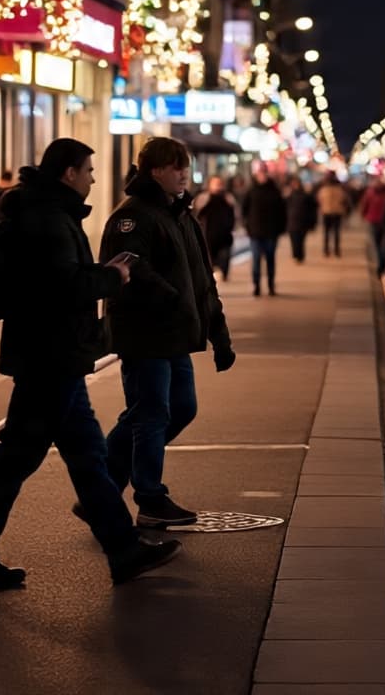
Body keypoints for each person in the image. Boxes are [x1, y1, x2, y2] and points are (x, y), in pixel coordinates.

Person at [0, 139, 179, 589]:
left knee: (85, 457)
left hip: (53, 356)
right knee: (18, 459)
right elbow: (62, 286)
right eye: (88, 169)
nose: (93, 177)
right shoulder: (50, 219)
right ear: (69, 173)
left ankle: (122, 549)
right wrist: (113, 275)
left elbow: (55, 279)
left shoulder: (45, 212)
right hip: (50, 356)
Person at [101, 138, 235, 530]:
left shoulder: (180, 214)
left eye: (185, 166)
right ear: (155, 170)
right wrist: (173, 299)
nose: (184, 174)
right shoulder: (133, 216)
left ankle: (101, 491)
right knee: (151, 413)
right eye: (177, 167)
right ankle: (150, 498)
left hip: (173, 333)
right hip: (145, 332)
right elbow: (129, 269)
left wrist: (219, 332)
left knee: (179, 408)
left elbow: (203, 279)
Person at [242, 163, 286, 296]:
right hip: (255, 232)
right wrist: (248, 226)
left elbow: (282, 210)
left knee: (270, 259)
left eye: (264, 172)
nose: (262, 175)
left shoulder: (274, 190)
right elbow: (244, 210)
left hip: (271, 231)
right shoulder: (251, 190)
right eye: (260, 173)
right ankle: (256, 286)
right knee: (256, 260)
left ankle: (271, 286)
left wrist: (281, 228)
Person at [196, 175, 237, 282]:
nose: (218, 186)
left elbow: (235, 214)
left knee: (224, 260)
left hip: (225, 237)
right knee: (210, 263)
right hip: (208, 237)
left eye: (220, 183)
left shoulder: (228, 198)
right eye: (216, 184)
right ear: (210, 185)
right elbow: (197, 214)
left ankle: (223, 275)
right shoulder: (204, 198)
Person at [358, 177, 385, 276]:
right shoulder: (370, 192)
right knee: (377, 244)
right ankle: (382, 262)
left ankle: (382, 263)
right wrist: (363, 214)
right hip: (374, 221)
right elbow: (365, 204)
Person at [317, 172, 350, 257]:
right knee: (336, 232)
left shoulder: (323, 189)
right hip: (337, 212)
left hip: (326, 212)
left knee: (327, 232)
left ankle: (326, 250)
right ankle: (336, 250)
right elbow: (345, 200)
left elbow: (319, 200)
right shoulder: (340, 190)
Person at [285, 176, 316, 264]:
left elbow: (311, 209)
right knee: (294, 240)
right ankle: (295, 255)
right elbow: (284, 208)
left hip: (303, 222)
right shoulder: (289, 196)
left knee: (301, 240)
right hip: (292, 222)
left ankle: (300, 256)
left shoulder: (306, 196)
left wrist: (312, 222)